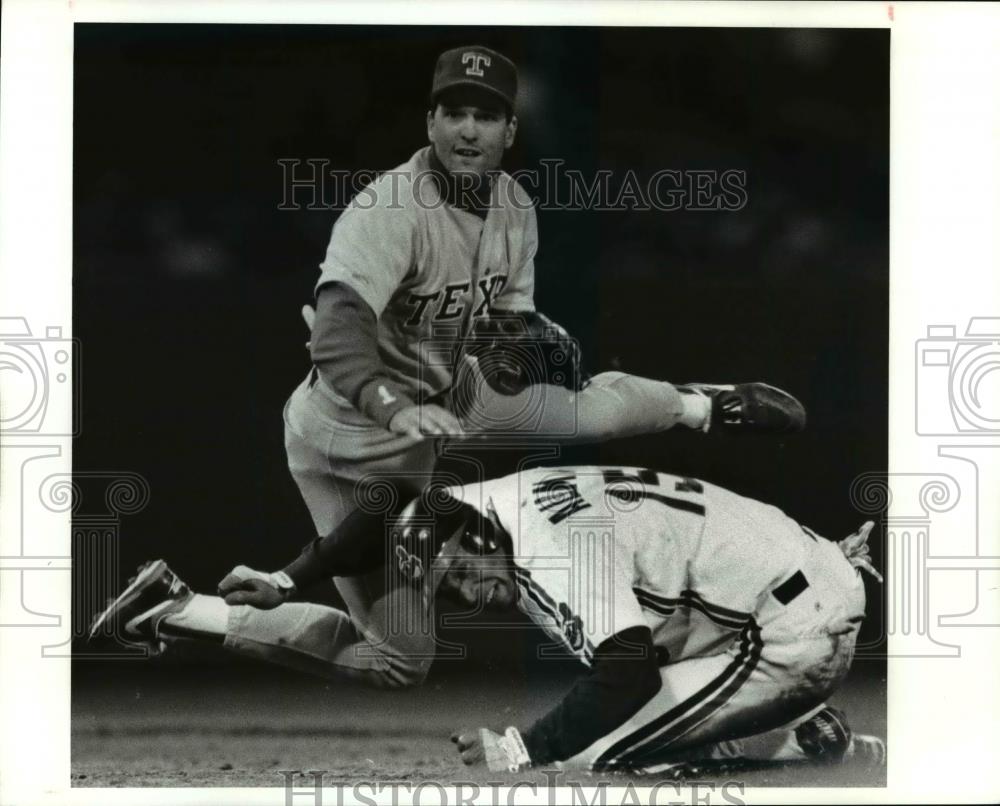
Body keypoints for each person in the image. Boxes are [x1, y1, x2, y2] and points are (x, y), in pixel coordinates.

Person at [259, 43, 807, 689]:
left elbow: (503, 321)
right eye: (455, 112)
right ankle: (179, 611)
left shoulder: (515, 203)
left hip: (453, 396)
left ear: (509, 130)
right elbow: (337, 330)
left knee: (584, 414)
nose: (469, 129)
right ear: (429, 122)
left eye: (486, 116)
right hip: (350, 431)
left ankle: (706, 404)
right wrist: (392, 404)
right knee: (401, 660)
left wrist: (529, 336)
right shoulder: (388, 211)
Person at [90, 464, 884, 773]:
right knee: (644, 668)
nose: (463, 594)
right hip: (788, 581)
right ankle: (792, 724)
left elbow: (627, 670)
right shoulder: (491, 502)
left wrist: (520, 747)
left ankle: (791, 738)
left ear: (476, 541)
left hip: (790, 633)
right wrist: (287, 572)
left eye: (456, 573)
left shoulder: (556, 550)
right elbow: (397, 502)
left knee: (603, 761)